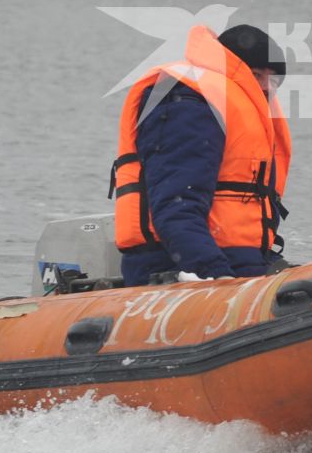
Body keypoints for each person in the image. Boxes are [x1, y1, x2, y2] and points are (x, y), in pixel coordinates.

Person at [112, 23, 292, 286]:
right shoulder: (189, 101)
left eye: (272, 80)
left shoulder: (236, 105)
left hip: (240, 263)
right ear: (236, 69)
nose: (265, 88)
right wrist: (214, 272)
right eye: (256, 75)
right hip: (178, 267)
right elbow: (177, 204)